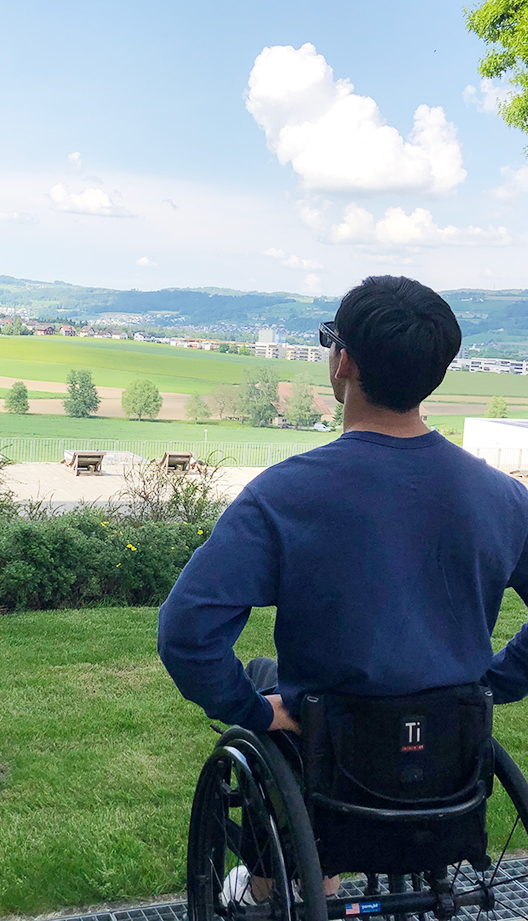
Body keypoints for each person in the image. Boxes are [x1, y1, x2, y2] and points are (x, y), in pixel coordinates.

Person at [158, 274, 528, 762]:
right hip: (450, 742)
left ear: (344, 361)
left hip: (331, 741)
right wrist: (494, 684)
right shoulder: (506, 498)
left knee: (261, 676)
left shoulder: (282, 495)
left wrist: (253, 711)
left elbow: (186, 631)